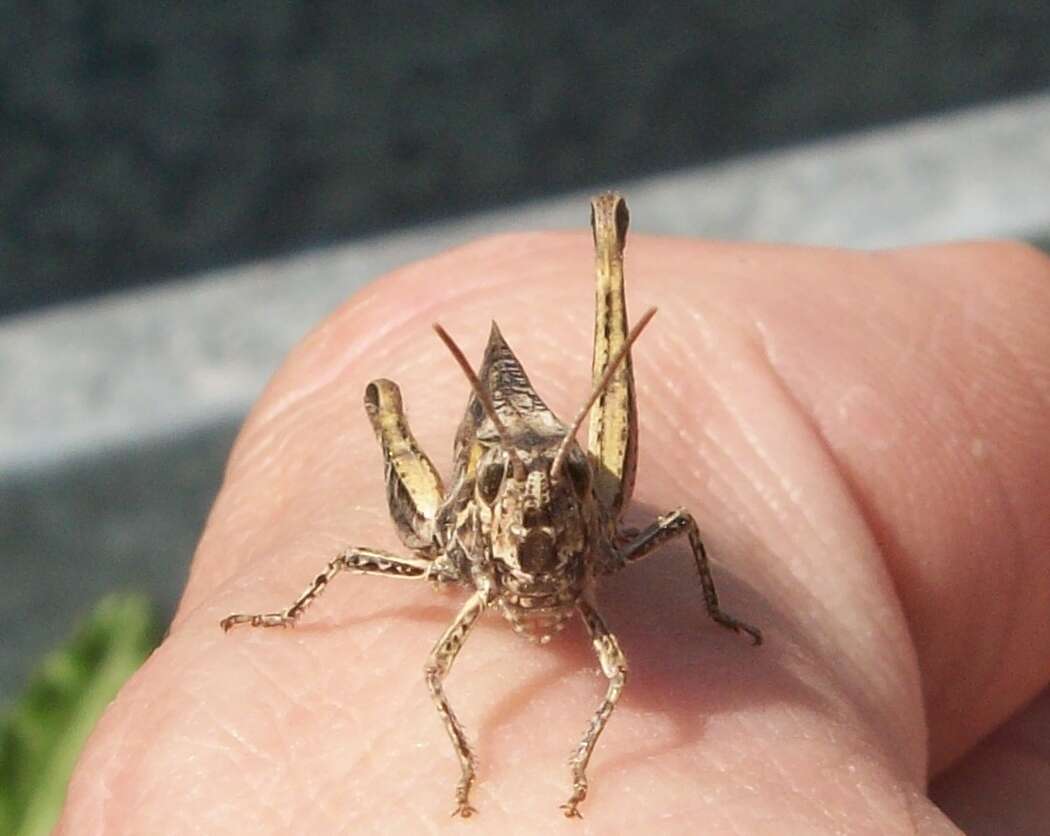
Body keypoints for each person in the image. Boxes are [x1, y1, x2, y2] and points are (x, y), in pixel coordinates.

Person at [58, 233, 1050, 834]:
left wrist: (701, 624)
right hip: (460, 521)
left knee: (625, 631)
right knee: (389, 465)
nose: (536, 513)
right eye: (523, 496)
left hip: (567, 450)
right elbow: (430, 663)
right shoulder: (479, 535)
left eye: (556, 493)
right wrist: (459, 775)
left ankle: (605, 247)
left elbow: (682, 531)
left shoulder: (594, 523)